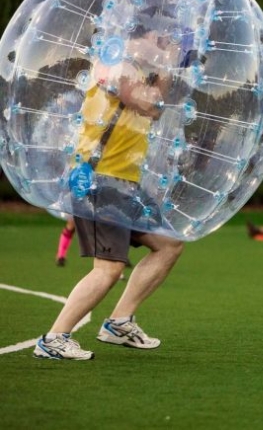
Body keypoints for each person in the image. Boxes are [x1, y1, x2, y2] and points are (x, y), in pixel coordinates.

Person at [33, 20, 185, 361]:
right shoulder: (113, 65)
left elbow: (155, 109)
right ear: (136, 39)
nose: (164, 47)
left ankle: (118, 322)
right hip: (99, 180)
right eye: (158, 39)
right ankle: (54, 338)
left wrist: (164, 67)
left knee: (169, 245)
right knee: (108, 268)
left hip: (123, 182)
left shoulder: (138, 71)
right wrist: (168, 63)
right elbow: (148, 104)